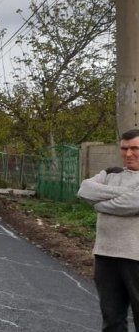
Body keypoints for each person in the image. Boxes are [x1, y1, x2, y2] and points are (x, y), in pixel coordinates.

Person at [77, 129, 139, 332]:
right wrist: (124, 193)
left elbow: (133, 203)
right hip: (105, 255)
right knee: (112, 319)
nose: (128, 154)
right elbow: (85, 190)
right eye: (124, 149)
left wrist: (99, 203)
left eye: (135, 148)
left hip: (136, 258)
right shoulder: (111, 172)